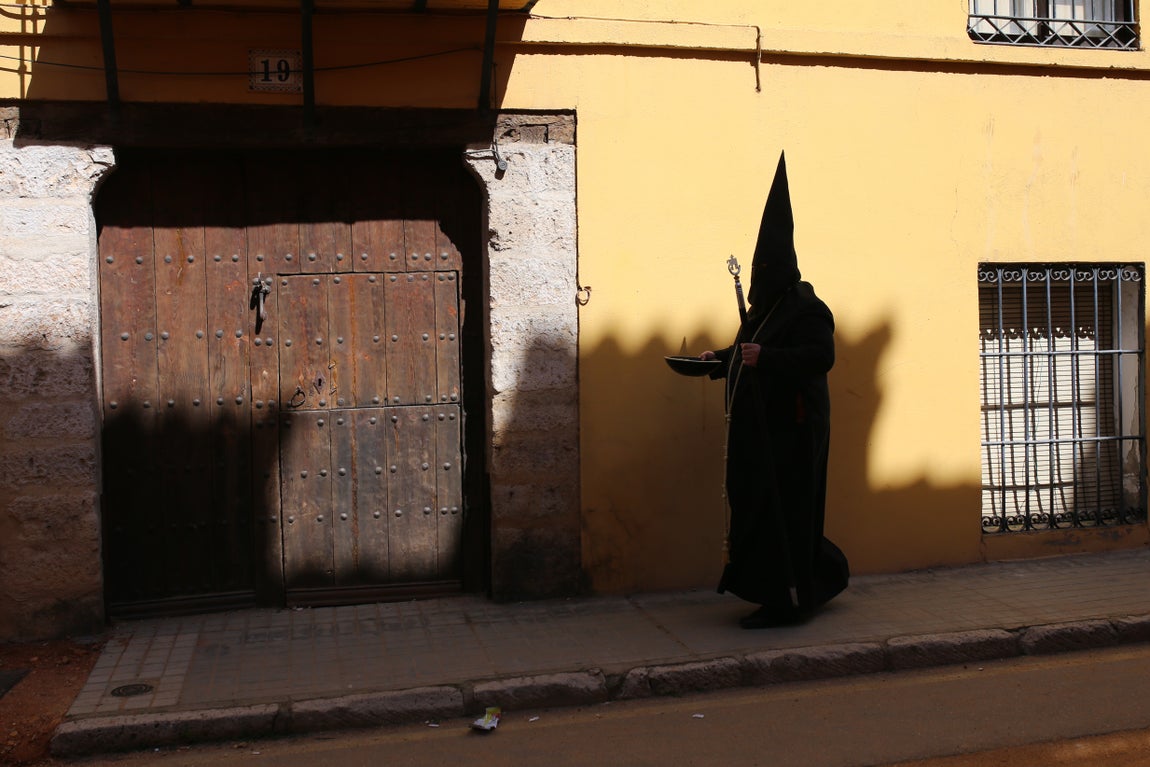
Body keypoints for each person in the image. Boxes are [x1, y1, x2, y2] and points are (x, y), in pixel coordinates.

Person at [700, 152, 849, 629]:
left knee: (783, 514)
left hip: (791, 438)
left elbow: (818, 357)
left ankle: (785, 600)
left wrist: (766, 359)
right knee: (757, 508)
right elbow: (749, 349)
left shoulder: (807, 309)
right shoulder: (767, 312)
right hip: (759, 438)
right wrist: (718, 361)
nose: (755, 285)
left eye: (764, 274)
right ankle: (806, 581)